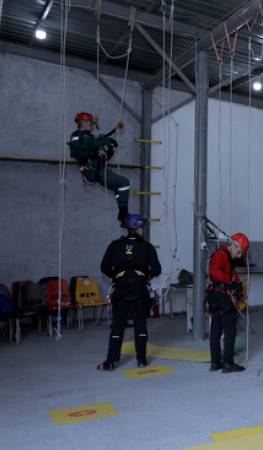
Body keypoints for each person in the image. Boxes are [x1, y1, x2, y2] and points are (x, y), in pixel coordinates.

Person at [98, 214, 161, 371]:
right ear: (137, 229)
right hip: (139, 288)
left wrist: (117, 276)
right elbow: (157, 270)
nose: (143, 230)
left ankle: (111, 361)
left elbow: (104, 267)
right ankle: (141, 360)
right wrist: (145, 275)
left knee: (118, 325)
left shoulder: (115, 245)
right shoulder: (147, 247)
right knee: (140, 324)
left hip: (120, 289)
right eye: (142, 228)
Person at [68, 112, 130, 222]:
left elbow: (96, 141)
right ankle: (124, 213)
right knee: (124, 183)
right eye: (90, 123)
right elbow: (94, 143)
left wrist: (114, 131)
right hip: (94, 170)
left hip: (95, 170)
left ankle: (123, 214)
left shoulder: (82, 137)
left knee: (117, 188)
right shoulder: (80, 137)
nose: (92, 126)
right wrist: (108, 142)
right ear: (83, 122)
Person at [207, 233, 249, 373]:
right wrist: (230, 281)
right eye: (239, 252)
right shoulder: (221, 255)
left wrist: (235, 281)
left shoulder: (225, 256)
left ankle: (215, 362)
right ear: (234, 245)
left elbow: (229, 273)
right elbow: (214, 272)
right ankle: (228, 363)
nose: (239, 255)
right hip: (222, 297)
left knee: (216, 329)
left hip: (215, 296)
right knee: (230, 329)